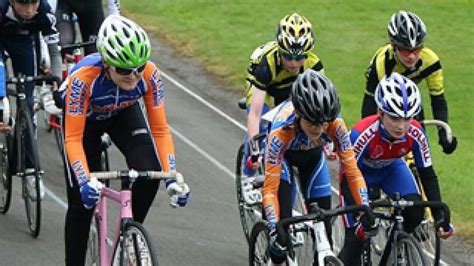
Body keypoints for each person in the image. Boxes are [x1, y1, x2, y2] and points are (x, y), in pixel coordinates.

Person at [60, 15, 190, 265]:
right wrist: (84, 180)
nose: (133, 76)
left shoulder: (150, 75)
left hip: (122, 113)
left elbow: (160, 129)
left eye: (139, 68)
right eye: (124, 70)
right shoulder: (83, 80)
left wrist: (171, 176)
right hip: (84, 124)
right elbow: (73, 138)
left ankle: (130, 238)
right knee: (81, 202)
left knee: (149, 172)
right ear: (107, 64)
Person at [338, 73, 454, 265]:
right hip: (359, 176)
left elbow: (427, 174)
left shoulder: (416, 133)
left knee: (415, 212)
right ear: (380, 112)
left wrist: (439, 216)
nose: (401, 126)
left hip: (391, 169)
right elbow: (347, 178)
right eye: (394, 118)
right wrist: (361, 212)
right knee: (355, 243)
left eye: (407, 118)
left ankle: (395, 248)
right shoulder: (361, 134)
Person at [261, 69, 368, 265]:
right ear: (299, 114)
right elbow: (269, 189)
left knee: (324, 229)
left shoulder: (336, 125)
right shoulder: (281, 131)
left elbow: (352, 172)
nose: (318, 129)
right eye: (312, 122)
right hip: (283, 160)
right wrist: (275, 228)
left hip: (313, 160)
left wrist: (365, 207)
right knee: (281, 236)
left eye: (323, 123)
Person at [361, 10, 457, 155]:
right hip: (382, 95)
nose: (412, 56)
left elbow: (438, 100)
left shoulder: (430, 61)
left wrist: (443, 133)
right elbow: (375, 108)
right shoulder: (383, 63)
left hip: (409, 95)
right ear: (394, 46)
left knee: (419, 146)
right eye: (406, 51)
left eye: (417, 49)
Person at [243, 12, 325, 175]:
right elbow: (255, 114)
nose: (293, 63)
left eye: (299, 57)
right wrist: (254, 151)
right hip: (262, 85)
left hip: (289, 88)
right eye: (287, 56)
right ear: (280, 50)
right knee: (264, 124)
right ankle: (248, 175)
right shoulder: (267, 64)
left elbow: (320, 105)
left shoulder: (314, 65)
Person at [0, 0, 62, 198]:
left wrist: (57, 82)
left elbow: (54, 51)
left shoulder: (44, 11)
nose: (29, 10)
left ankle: (30, 171)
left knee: (27, 102)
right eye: (23, 4)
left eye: (33, 4)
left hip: (25, 44)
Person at [54, 0, 120, 55]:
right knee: (64, 45)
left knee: (94, 51)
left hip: (91, 5)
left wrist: (114, 17)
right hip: (63, 4)